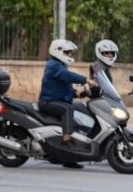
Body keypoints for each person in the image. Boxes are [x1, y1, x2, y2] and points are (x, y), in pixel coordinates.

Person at [39, 39, 95, 168]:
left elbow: (65, 88)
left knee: (78, 111)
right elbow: (67, 76)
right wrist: (86, 79)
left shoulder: (61, 65)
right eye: (67, 52)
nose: (69, 55)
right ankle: (65, 141)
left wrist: (79, 94)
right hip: (47, 102)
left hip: (56, 100)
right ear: (58, 51)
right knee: (67, 109)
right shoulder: (53, 65)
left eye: (70, 53)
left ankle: (69, 159)